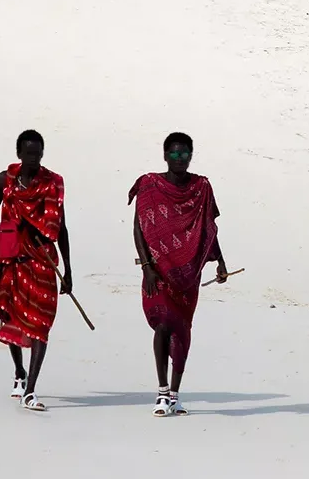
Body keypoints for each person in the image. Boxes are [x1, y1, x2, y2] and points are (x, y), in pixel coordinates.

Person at [0, 130, 72, 412]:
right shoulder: (5, 180)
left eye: (38, 153)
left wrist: (69, 270)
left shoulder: (52, 184)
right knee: (11, 315)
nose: (33, 158)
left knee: (41, 324)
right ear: (19, 154)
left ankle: (31, 390)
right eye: (28, 153)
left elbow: (60, 228)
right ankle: (19, 372)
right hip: (12, 258)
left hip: (42, 259)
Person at [131, 132, 229, 417]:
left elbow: (208, 228)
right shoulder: (150, 185)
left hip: (188, 272)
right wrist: (148, 268)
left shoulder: (201, 187)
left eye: (184, 154)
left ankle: (175, 395)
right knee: (162, 324)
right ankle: (161, 393)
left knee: (182, 331)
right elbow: (139, 229)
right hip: (158, 270)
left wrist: (220, 262)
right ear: (165, 156)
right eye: (174, 154)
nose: (179, 159)